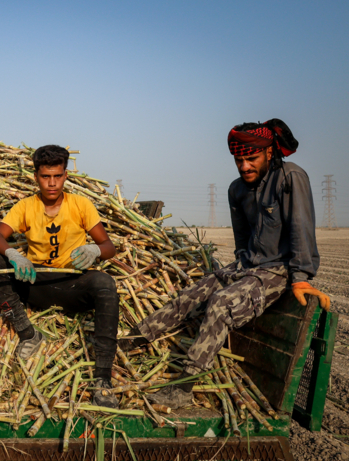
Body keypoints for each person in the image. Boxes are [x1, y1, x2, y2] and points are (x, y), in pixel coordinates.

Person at [120, 119, 330, 409]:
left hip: (278, 269)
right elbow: (242, 239)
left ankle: (183, 388)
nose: (244, 166)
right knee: (191, 294)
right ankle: (131, 341)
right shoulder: (237, 190)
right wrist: (237, 270)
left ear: (269, 152)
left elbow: (301, 227)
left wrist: (301, 277)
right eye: (238, 160)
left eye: (251, 158)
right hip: (247, 265)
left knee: (220, 304)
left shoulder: (291, 178)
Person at [0, 145, 121, 408]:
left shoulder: (81, 205)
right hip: (37, 283)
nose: (52, 183)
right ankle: (28, 335)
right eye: (46, 177)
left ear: (65, 176)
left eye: (57, 176)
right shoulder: (25, 207)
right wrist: (13, 253)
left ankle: (103, 379)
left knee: (105, 284)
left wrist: (95, 250)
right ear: (36, 176)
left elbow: (109, 246)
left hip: (73, 285)